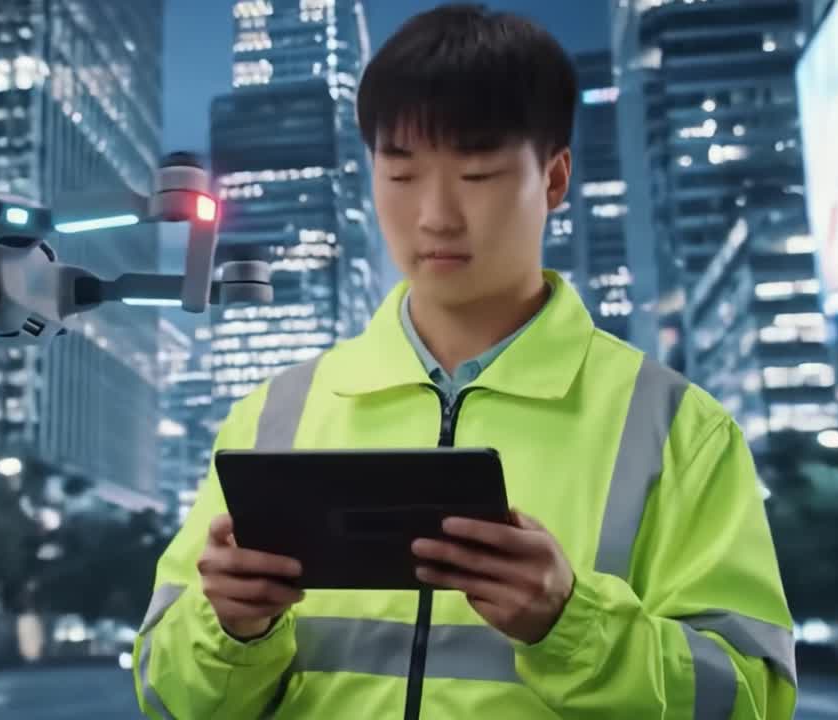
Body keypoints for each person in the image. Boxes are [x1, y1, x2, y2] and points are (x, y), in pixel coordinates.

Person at [133, 4, 796, 719]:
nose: (435, 215)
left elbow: (750, 700)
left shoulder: (677, 431)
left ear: (555, 179)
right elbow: (164, 696)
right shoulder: (271, 417)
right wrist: (231, 628)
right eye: (402, 172)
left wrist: (571, 625)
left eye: (477, 173)